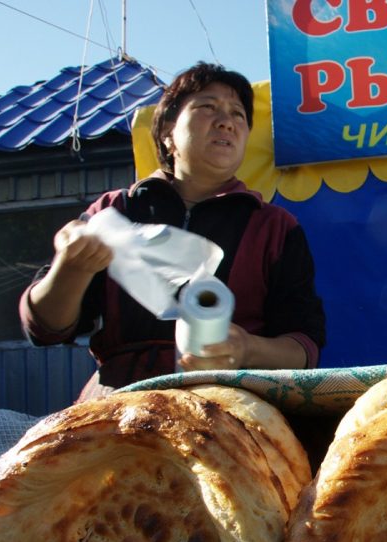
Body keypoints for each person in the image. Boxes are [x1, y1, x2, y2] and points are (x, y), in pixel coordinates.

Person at [20, 62, 326, 401]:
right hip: (118, 402)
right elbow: (45, 329)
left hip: (232, 406)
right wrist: (71, 267)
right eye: (207, 107)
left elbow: (304, 348)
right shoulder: (112, 212)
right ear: (167, 131)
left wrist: (246, 349)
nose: (226, 121)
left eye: (238, 114)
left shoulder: (275, 227)